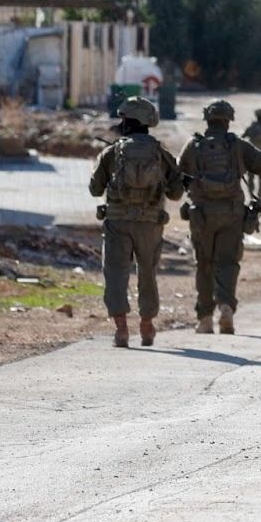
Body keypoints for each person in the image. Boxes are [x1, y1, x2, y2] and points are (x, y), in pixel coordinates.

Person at [88, 97, 184, 349]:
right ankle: (147, 324)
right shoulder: (161, 153)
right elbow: (176, 193)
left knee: (116, 273)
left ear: (128, 122)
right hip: (150, 224)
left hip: (117, 222)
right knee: (148, 272)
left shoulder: (112, 152)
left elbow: (95, 189)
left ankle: (121, 329)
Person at [179, 100, 261, 334]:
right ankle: (225, 307)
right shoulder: (238, 146)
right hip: (232, 214)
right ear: (228, 120)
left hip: (201, 214)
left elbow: (177, 175)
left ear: (207, 119)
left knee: (204, 264)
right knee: (227, 263)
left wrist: (190, 190)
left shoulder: (193, 145)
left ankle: (205, 318)